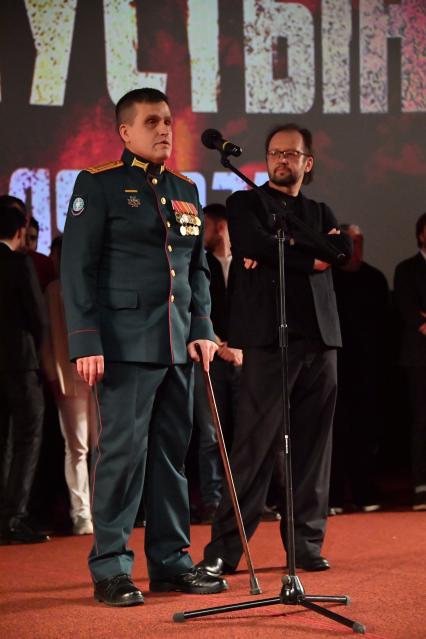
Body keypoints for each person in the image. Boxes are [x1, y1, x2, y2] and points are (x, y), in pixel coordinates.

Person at [61, 87, 227, 607]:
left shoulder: (185, 189)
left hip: (178, 344)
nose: (163, 130)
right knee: (123, 457)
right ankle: (111, 566)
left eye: (168, 121)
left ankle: (171, 561)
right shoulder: (99, 183)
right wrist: (86, 340)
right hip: (124, 344)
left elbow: (197, 269)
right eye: (151, 121)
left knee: (171, 458)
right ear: (125, 131)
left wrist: (202, 327)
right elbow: (77, 268)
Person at [197, 123, 352, 578]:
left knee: (313, 450)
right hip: (268, 340)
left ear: (308, 162)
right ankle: (227, 546)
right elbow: (252, 242)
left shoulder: (319, 209)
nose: (282, 159)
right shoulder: (246, 203)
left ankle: (305, 544)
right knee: (253, 448)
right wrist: (307, 255)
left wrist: (280, 248)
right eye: (275, 153)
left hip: (321, 340)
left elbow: (339, 251)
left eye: (291, 153)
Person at [330, 224, 389, 513]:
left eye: (360, 242)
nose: (356, 248)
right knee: (335, 432)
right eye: (351, 242)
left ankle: (364, 491)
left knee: (365, 432)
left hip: (367, 370)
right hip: (334, 367)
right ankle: (334, 496)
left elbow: (385, 326)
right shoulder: (327, 277)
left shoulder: (375, 279)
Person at [0, 203, 49, 544]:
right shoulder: (20, 263)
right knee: (28, 436)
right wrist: (40, 355)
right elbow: (38, 316)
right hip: (20, 362)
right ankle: (13, 517)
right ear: (20, 232)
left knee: (2, 438)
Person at [43, 236, 96, 535]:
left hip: (99, 374)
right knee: (76, 446)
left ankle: (103, 509)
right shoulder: (54, 290)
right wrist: (53, 373)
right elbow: (47, 336)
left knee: (102, 445)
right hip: (69, 374)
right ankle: (81, 513)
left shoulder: (94, 283)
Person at [192, 204, 242, 523]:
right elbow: (194, 307)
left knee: (245, 433)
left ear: (220, 227)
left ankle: (244, 500)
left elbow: (257, 308)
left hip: (244, 359)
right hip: (210, 358)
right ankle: (212, 500)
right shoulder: (200, 263)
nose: (201, 233)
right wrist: (220, 343)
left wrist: (240, 347)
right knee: (211, 434)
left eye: (205, 226)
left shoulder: (247, 263)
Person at [393, 213, 426, 511]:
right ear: (420, 235)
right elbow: (410, 313)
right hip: (419, 357)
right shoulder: (406, 269)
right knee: (421, 421)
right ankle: (420, 486)